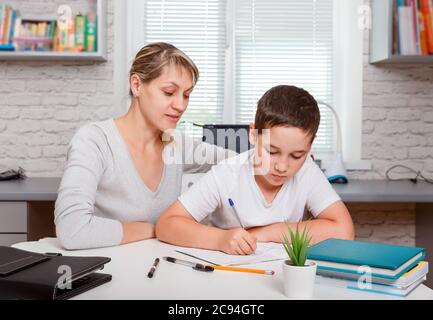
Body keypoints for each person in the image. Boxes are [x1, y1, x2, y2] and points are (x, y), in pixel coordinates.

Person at [55, 42, 235, 250]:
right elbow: (72, 230)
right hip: (105, 270)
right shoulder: (94, 141)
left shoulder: (176, 144)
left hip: (158, 268)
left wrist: (274, 148)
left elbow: (240, 162)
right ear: (137, 85)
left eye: (186, 95)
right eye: (169, 92)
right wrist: (160, 229)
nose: (181, 105)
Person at [156, 85, 355, 255]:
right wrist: (221, 239)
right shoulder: (227, 173)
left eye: (297, 155)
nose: (282, 166)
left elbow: (344, 231)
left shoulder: (307, 172)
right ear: (253, 134)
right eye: (272, 151)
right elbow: (166, 225)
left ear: (310, 146)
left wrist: (267, 232)